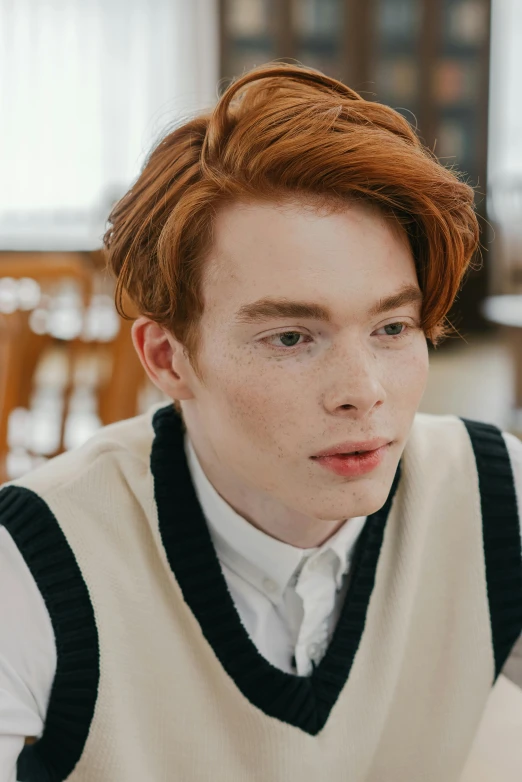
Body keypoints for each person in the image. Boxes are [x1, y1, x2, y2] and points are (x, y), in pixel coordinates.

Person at [1, 62, 521, 782]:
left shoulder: (495, 498)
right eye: (290, 338)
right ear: (168, 356)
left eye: (393, 327)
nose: (363, 392)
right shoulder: (35, 561)